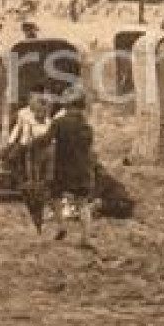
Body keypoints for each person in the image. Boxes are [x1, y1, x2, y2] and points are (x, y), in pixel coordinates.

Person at [45, 91, 96, 247]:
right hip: (83, 169)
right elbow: (89, 149)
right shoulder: (87, 126)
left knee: (54, 196)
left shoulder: (59, 122)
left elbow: (46, 140)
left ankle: (61, 226)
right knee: (82, 203)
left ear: (68, 106)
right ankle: (86, 238)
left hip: (63, 169)